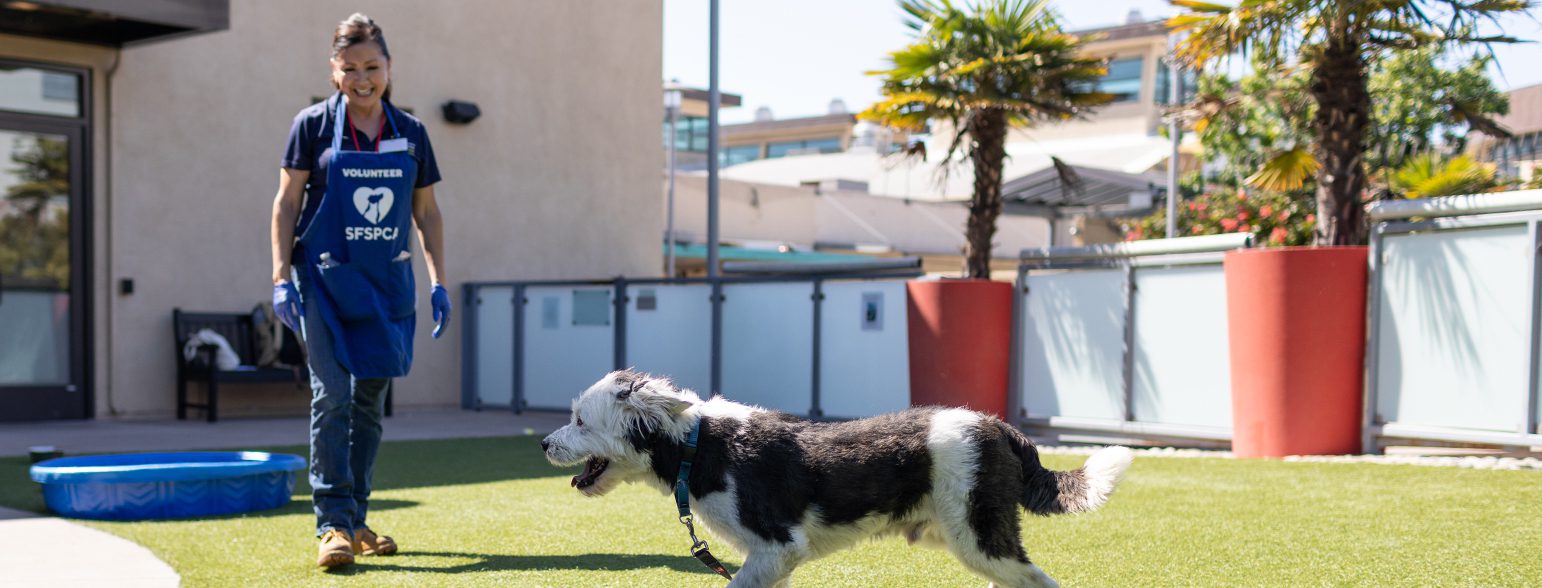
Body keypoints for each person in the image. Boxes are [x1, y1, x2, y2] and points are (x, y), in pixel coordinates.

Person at [269, 13, 449, 568]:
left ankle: (356, 518)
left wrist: (440, 280)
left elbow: (427, 212)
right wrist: (280, 276)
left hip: (384, 284)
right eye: (350, 69)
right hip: (321, 279)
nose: (363, 79)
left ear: (389, 68)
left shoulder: (412, 133)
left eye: (372, 67)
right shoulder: (312, 127)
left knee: (369, 405)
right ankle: (331, 527)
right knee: (333, 397)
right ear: (334, 71)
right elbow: (286, 204)